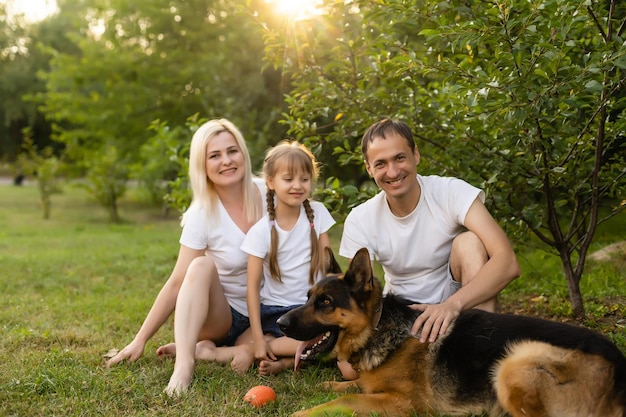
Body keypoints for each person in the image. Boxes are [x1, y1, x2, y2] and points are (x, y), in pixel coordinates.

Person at [105, 118, 266, 395]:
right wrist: (139, 340)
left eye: (232, 151)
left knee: (269, 349)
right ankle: (185, 363)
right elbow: (178, 282)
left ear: (243, 153)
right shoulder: (201, 213)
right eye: (214, 155)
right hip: (223, 316)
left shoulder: (269, 192)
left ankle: (211, 352)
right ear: (202, 165)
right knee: (200, 265)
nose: (226, 161)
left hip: (268, 314)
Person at [339, 118, 521, 347]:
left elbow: (507, 261)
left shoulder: (450, 191)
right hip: (401, 315)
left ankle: (480, 344)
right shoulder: (360, 218)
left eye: (399, 157)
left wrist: (451, 305)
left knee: (470, 242)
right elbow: (358, 291)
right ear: (369, 168)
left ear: (415, 154)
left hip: (460, 309)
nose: (393, 171)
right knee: (349, 369)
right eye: (381, 163)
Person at [207, 140, 335, 376]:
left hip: (308, 310)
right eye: (288, 179)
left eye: (304, 179)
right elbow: (252, 288)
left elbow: (330, 270)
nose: (298, 186)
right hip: (275, 314)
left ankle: (271, 355)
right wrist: (256, 333)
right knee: (327, 345)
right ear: (270, 182)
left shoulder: (318, 214)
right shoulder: (261, 231)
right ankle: (222, 351)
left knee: (332, 343)